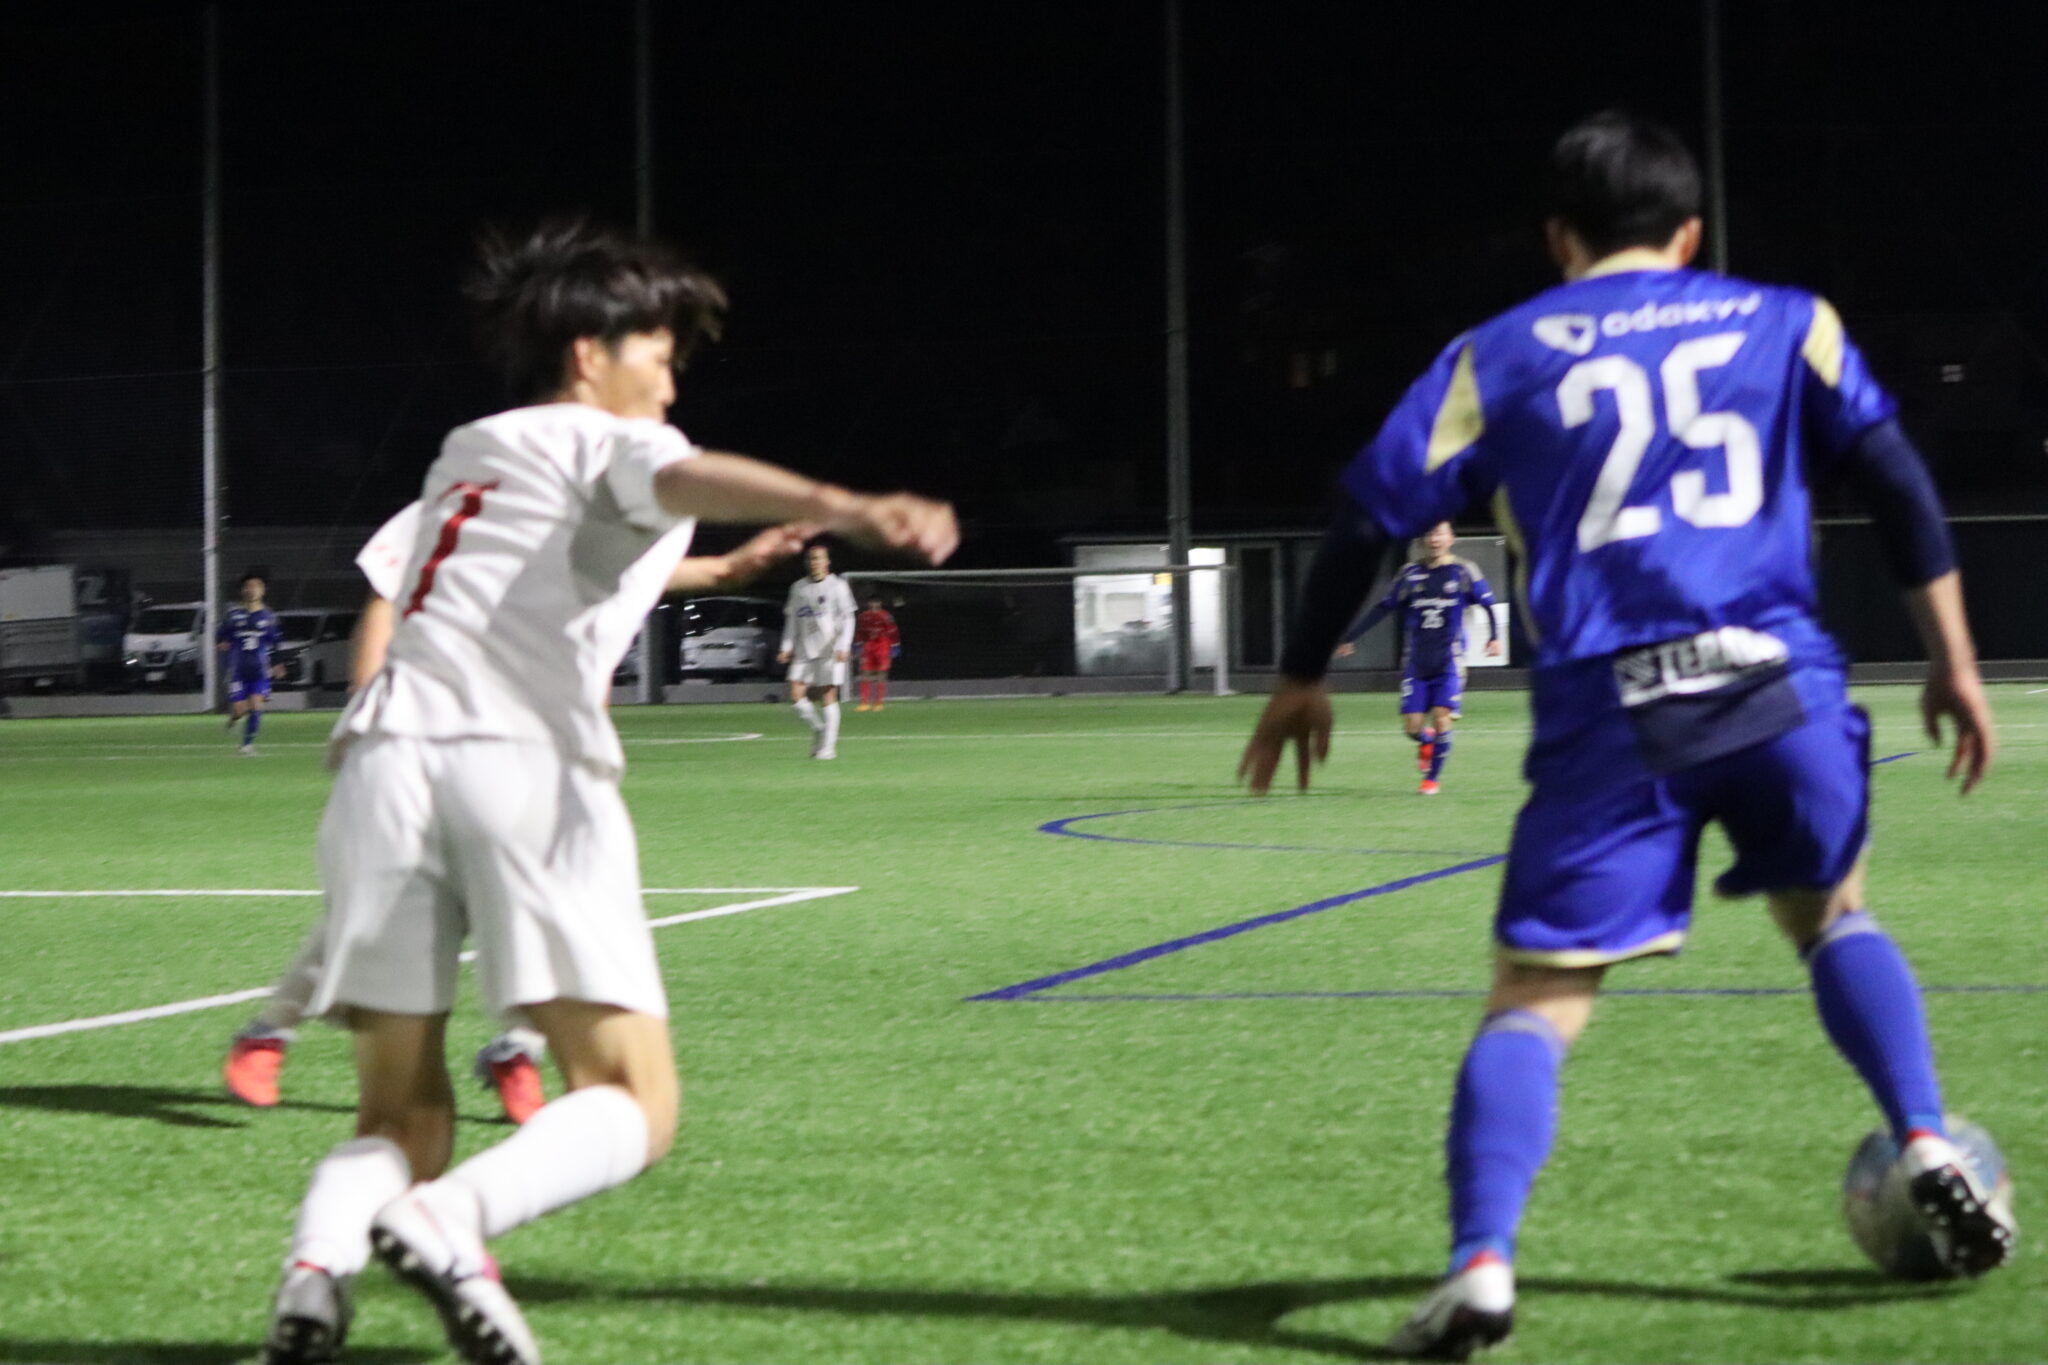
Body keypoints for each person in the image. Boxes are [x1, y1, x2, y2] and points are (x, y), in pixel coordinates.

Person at [1239, 111, 2009, 1359]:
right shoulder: (1787, 321)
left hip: (1613, 706)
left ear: (1558, 238)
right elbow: (1897, 482)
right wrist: (1953, 662)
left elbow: (1362, 517)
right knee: (1832, 916)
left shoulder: (1493, 355)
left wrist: (1297, 676)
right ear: (1689, 234)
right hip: (1777, 680)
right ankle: (1922, 1134)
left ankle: (1481, 1264)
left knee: (1535, 998)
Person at [259, 219, 955, 1365]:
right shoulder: (613, 437)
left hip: (380, 769)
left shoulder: (470, 448)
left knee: (401, 1115)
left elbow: (561, 548)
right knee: (634, 1098)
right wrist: (843, 500)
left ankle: (314, 1274)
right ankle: (451, 1222)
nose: (669, 384)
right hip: (516, 765)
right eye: (660, 356)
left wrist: (715, 566)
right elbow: (675, 472)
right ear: (589, 353)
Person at [223, 505, 810, 1123]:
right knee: (378, 909)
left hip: (534, 750)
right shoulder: (479, 493)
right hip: (428, 734)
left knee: (559, 911)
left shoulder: (628, 525)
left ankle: (517, 1049)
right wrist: (369, 701)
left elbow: (633, 586)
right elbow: (389, 588)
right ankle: (271, 1031)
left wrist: (726, 568)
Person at [1334, 521, 1501, 793]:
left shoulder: (1463, 570)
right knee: (1412, 727)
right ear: (1423, 540)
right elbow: (1384, 606)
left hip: (1450, 660)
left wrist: (1494, 637)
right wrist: (1351, 636)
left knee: (1442, 717)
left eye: (1440, 534)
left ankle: (1431, 780)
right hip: (1417, 662)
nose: (1435, 539)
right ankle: (1426, 740)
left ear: (1451, 538)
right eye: (1430, 534)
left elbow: (1488, 604)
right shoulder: (1410, 573)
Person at [778, 543, 858, 758]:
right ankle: (819, 729)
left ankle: (828, 748)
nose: (814, 562)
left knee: (827, 695)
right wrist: (786, 647)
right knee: (795, 695)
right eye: (811, 559)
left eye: (818, 558)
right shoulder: (798, 588)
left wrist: (844, 645)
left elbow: (848, 618)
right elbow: (792, 620)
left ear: (827, 562)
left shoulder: (838, 586)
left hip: (829, 648)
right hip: (804, 649)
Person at [218, 572, 284, 754]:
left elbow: (275, 643)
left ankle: (247, 745)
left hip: (259, 670)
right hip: (237, 670)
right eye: (248, 586)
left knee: (256, 706)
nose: (252, 590)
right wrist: (222, 642)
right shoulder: (233, 615)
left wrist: (277, 663)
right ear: (243, 590)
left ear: (262, 591)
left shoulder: (268, 617)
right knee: (239, 710)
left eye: (256, 586)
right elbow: (221, 634)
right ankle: (234, 718)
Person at [854, 592, 900, 711]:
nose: (874, 605)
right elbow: (860, 632)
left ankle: (879, 702)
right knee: (865, 672)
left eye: (876, 602)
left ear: (880, 603)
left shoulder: (886, 616)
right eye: (872, 602)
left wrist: (895, 647)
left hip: (883, 646)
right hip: (868, 646)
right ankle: (864, 703)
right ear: (868, 603)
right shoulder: (863, 616)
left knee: (881, 673)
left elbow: (893, 632)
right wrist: (858, 645)